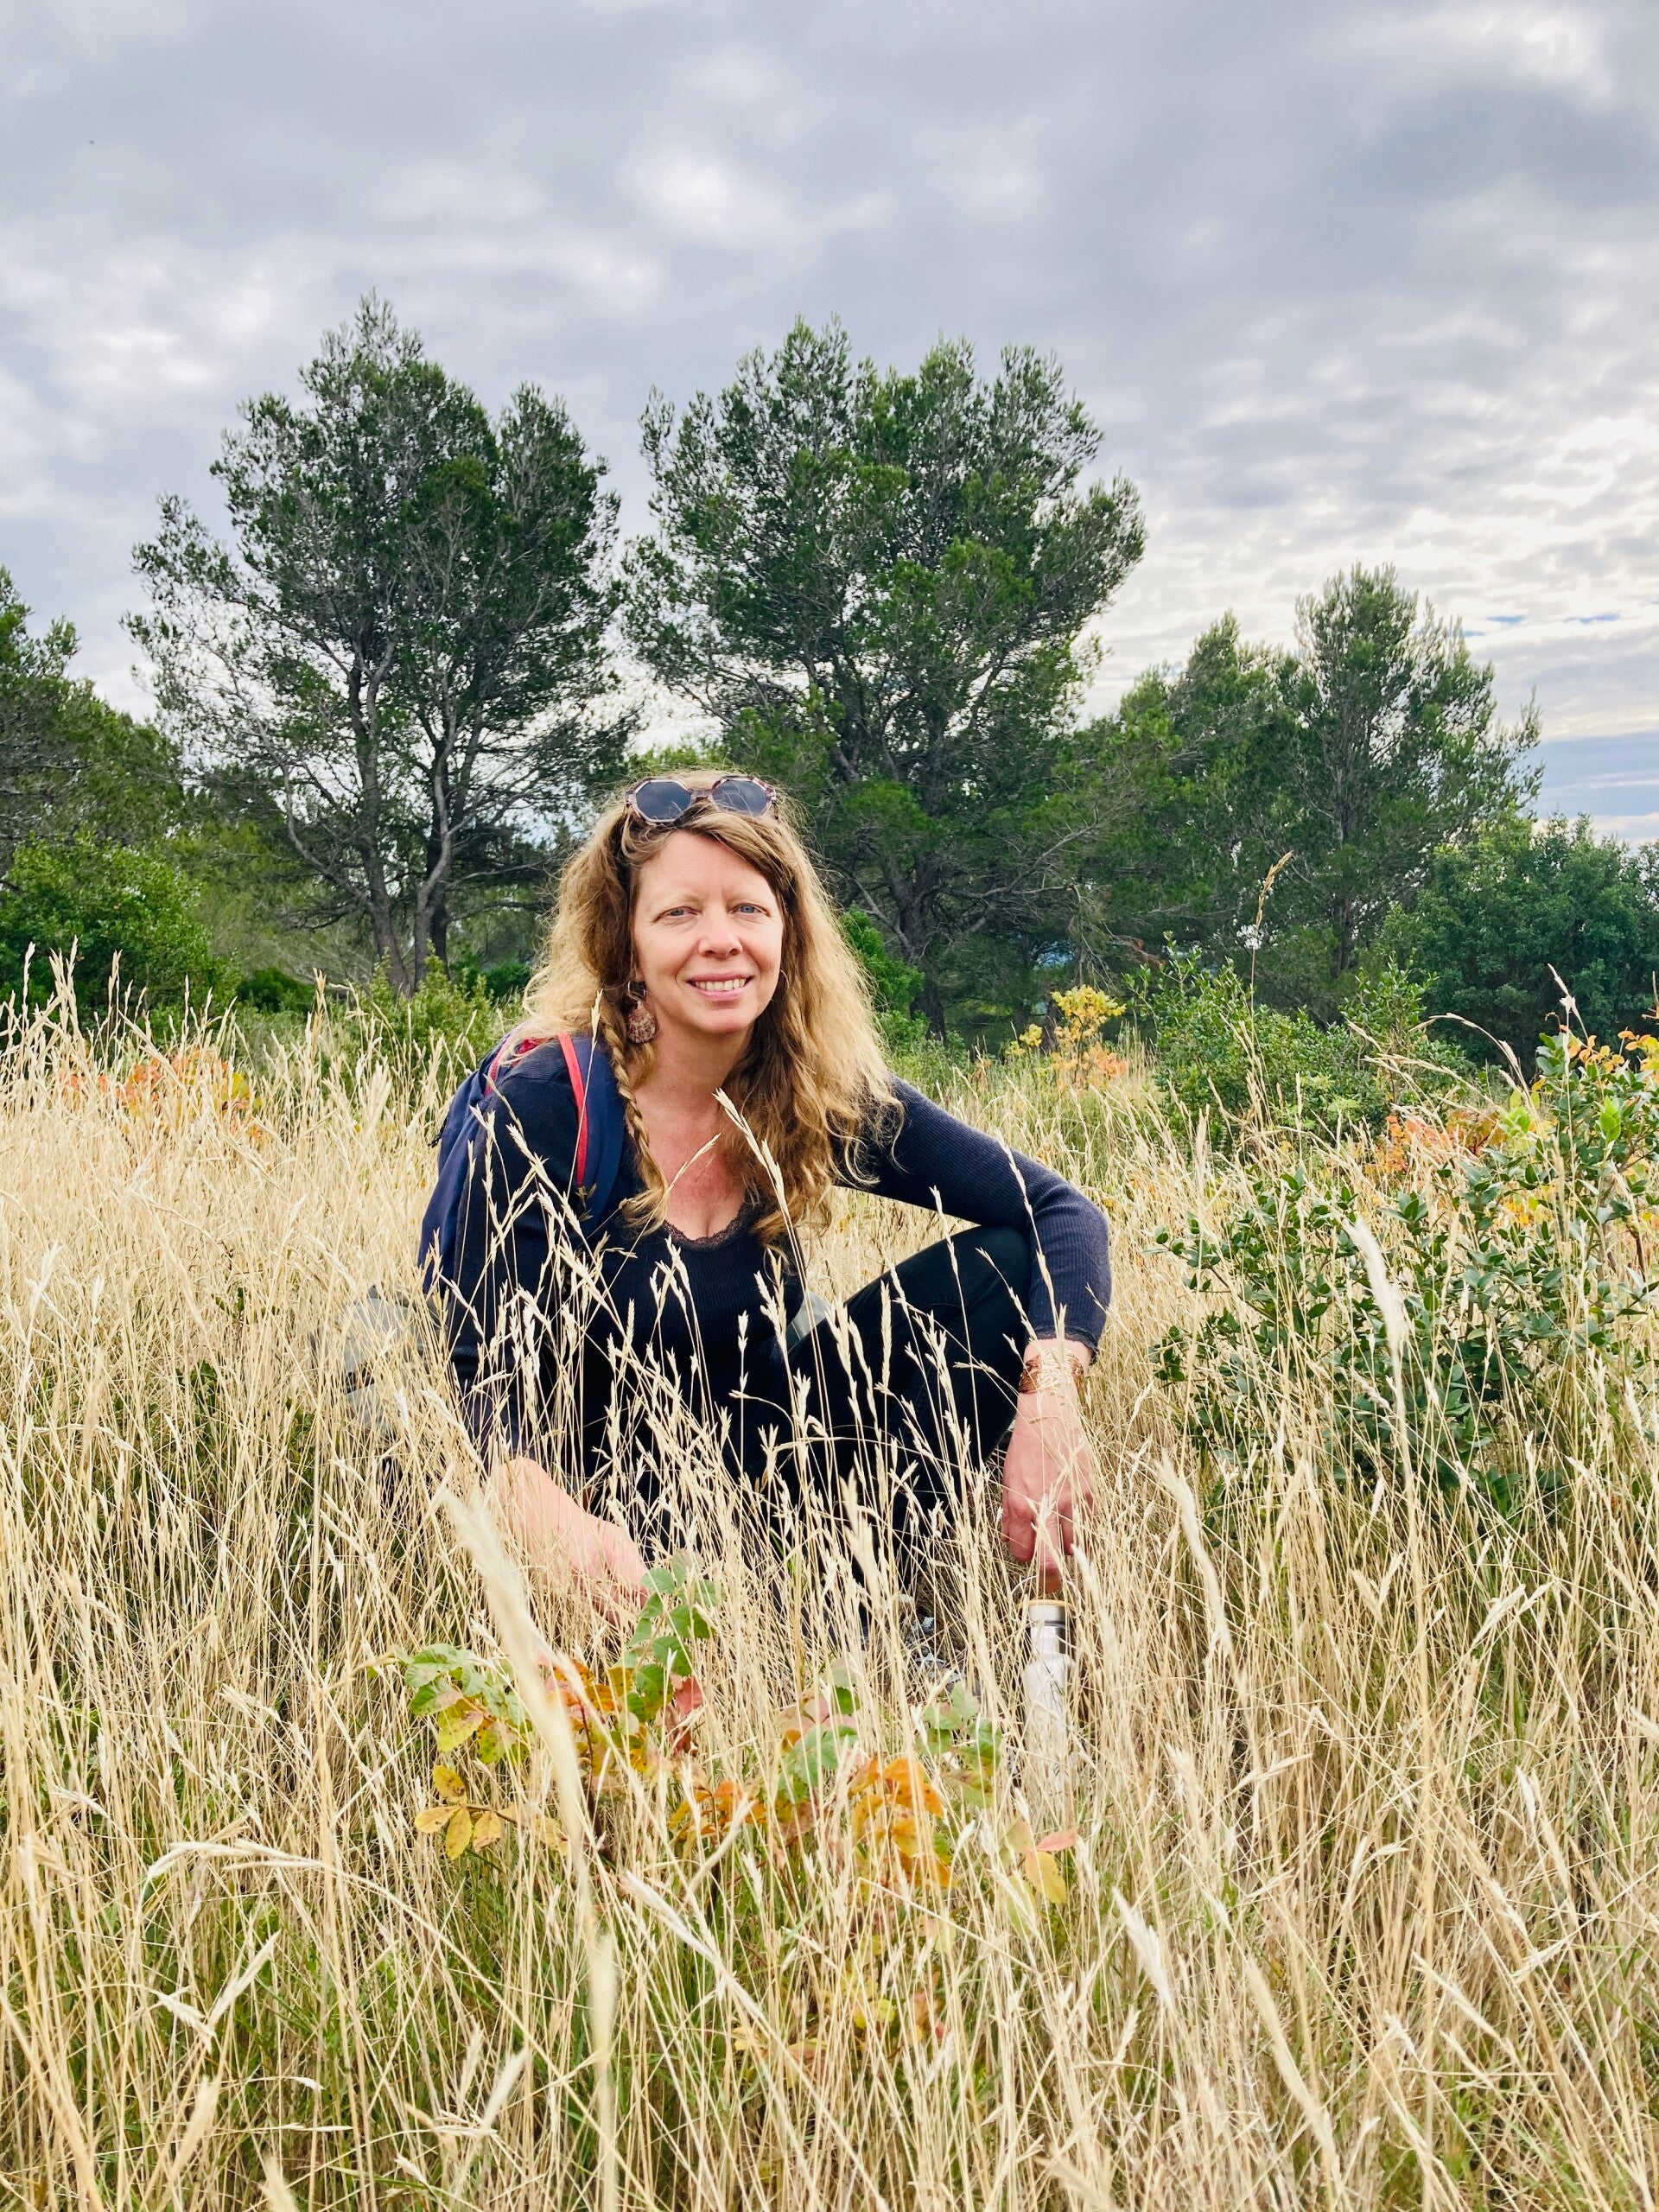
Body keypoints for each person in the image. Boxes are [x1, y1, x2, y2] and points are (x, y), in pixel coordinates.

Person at [430, 769, 1109, 1615]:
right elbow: (482, 1386)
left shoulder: (810, 1091)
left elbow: (1060, 1211)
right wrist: (552, 1523)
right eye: (680, 913)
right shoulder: (548, 1105)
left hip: (756, 1470)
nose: (721, 940)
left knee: (1003, 1267)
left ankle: (851, 1608)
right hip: (598, 1516)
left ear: (788, 930)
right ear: (626, 942)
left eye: (748, 908)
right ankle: (770, 1626)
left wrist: (1050, 1398)